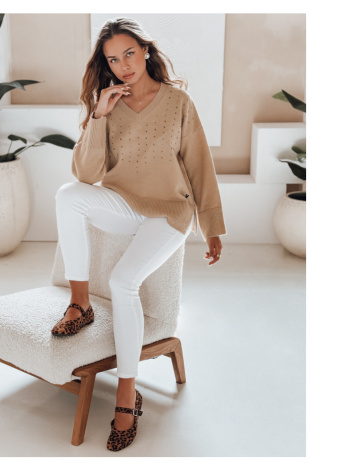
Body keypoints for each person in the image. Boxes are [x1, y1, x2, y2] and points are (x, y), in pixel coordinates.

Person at [51, 17, 227, 451]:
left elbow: (200, 166)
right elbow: (85, 175)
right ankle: (80, 303)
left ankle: (127, 394)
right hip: (124, 204)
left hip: (169, 212)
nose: (124, 65)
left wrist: (212, 227)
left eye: (129, 53)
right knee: (68, 195)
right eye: (113, 59)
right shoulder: (107, 104)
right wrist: (99, 114)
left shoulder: (178, 102)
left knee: (123, 281)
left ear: (146, 50)